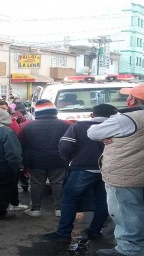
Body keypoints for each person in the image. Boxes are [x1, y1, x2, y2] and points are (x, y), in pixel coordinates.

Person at [42, 104, 118, 242]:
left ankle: (64, 233)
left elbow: (65, 146)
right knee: (103, 200)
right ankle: (95, 231)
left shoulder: (79, 126)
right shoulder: (118, 127)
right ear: (112, 115)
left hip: (83, 168)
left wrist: (70, 159)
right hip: (110, 169)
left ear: (92, 114)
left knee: (69, 199)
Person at [88, 84, 144, 256]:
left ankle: (130, 249)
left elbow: (92, 132)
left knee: (126, 212)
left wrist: (110, 135)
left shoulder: (127, 118)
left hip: (126, 175)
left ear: (133, 99)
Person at [19, 99, 72, 217]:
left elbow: (20, 144)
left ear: (36, 112)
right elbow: (72, 143)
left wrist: (23, 162)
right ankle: (60, 209)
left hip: (35, 160)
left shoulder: (25, 125)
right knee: (58, 183)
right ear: (55, 111)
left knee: (36, 184)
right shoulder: (67, 124)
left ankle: (35, 209)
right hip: (59, 159)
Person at [0, 101, 28, 210]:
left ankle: (8, 204)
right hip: (3, 164)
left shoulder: (11, 121)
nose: (2, 112)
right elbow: (13, 150)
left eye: (4, 109)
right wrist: (17, 164)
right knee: (3, 187)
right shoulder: (5, 131)